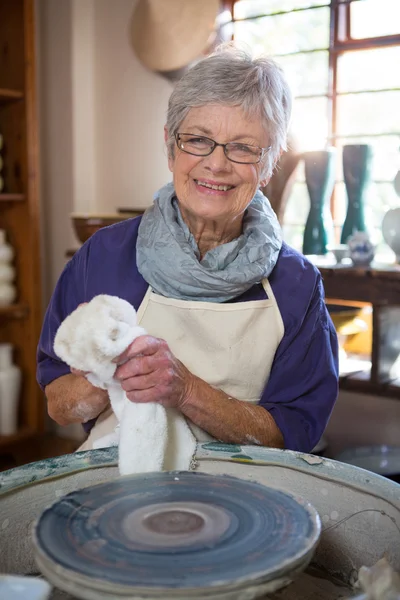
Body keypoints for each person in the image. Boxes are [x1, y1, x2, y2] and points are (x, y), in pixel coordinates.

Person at [37, 44, 338, 453]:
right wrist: (107, 376)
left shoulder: (295, 284)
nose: (216, 164)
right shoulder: (104, 257)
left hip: (246, 493)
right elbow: (59, 405)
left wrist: (186, 391)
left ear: (269, 164)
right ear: (170, 146)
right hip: (120, 478)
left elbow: (293, 432)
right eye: (198, 140)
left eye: (244, 148)